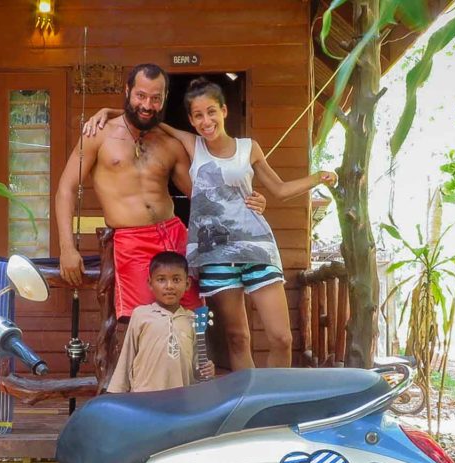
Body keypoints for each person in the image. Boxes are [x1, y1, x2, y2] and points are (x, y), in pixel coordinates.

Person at [84, 78, 337, 369]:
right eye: (198, 115)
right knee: (237, 337)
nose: (206, 120)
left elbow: (279, 190)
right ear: (191, 120)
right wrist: (108, 111)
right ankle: (249, 404)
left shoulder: (248, 147)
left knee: (281, 338)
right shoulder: (192, 146)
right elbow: (146, 120)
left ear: (225, 111)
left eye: (212, 112)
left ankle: (271, 401)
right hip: (214, 254)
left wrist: (318, 177)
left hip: (256, 248)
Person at [55, 64, 266, 321]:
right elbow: (65, 189)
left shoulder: (169, 143)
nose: (147, 104)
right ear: (127, 91)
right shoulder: (97, 134)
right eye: (140, 96)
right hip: (132, 240)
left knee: (191, 319)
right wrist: (67, 248)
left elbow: (203, 196)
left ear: (164, 98)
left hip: (175, 236)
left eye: (156, 98)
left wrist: (250, 201)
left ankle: (192, 363)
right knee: (145, 323)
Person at [108, 251, 216, 393]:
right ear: (150, 283)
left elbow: (197, 367)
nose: (169, 286)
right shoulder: (141, 315)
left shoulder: (193, 320)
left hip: (181, 399)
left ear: (187, 284)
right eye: (161, 280)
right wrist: (117, 391)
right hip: (144, 398)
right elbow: (127, 356)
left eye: (176, 280)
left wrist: (206, 368)